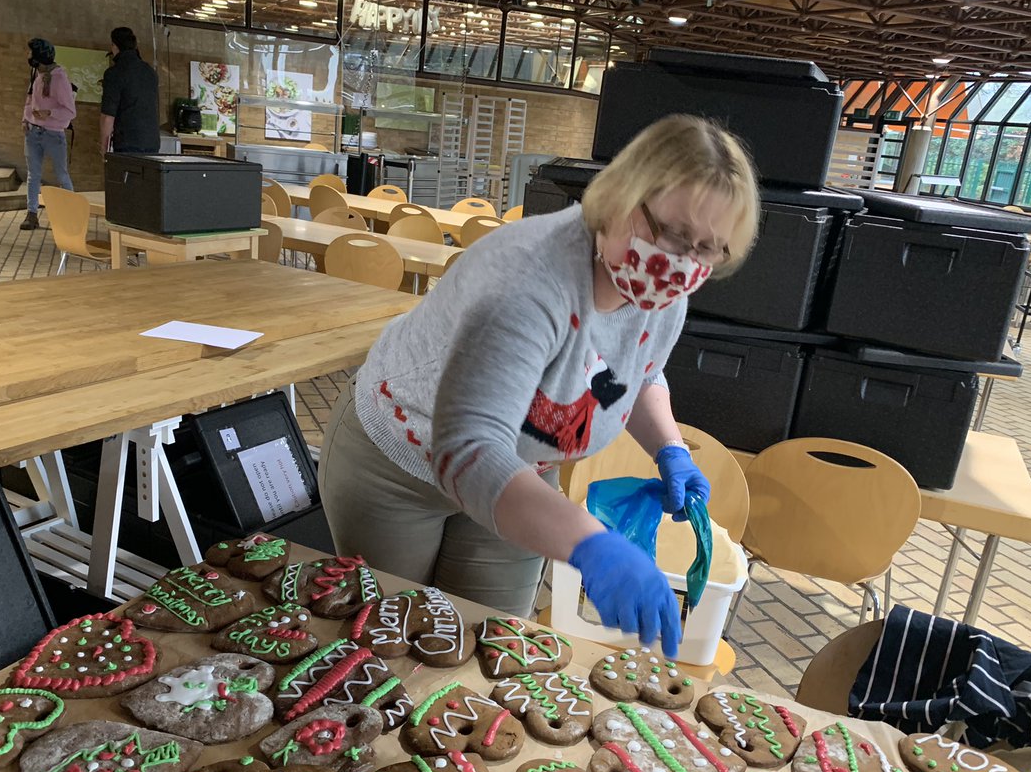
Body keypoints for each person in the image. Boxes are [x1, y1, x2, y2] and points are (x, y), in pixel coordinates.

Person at [318, 114, 760, 658]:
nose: (683, 264)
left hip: (522, 475)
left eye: (709, 250)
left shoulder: (659, 290)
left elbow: (636, 372)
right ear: (622, 197)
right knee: (387, 642)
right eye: (672, 234)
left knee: (489, 649)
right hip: (401, 465)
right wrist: (590, 544)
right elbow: (470, 451)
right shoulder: (527, 279)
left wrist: (669, 448)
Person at [20, 38, 76, 231]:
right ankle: (32, 213)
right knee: (33, 174)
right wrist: (25, 119)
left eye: (30, 52)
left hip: (53, 132)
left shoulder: (59, 77)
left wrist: (50, 113)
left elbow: (70, 110)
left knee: (61, 174)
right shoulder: (36, 73)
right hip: (33, 131)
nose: (27, 56)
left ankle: (72, 214)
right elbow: (29, 99)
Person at [99, 26, 159, 155]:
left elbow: (107, 116)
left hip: (127, 141)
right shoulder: (149, 72)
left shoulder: (114, 73)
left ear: (114, 46)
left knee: (125, 175)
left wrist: (104, 146)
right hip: (152, 141)